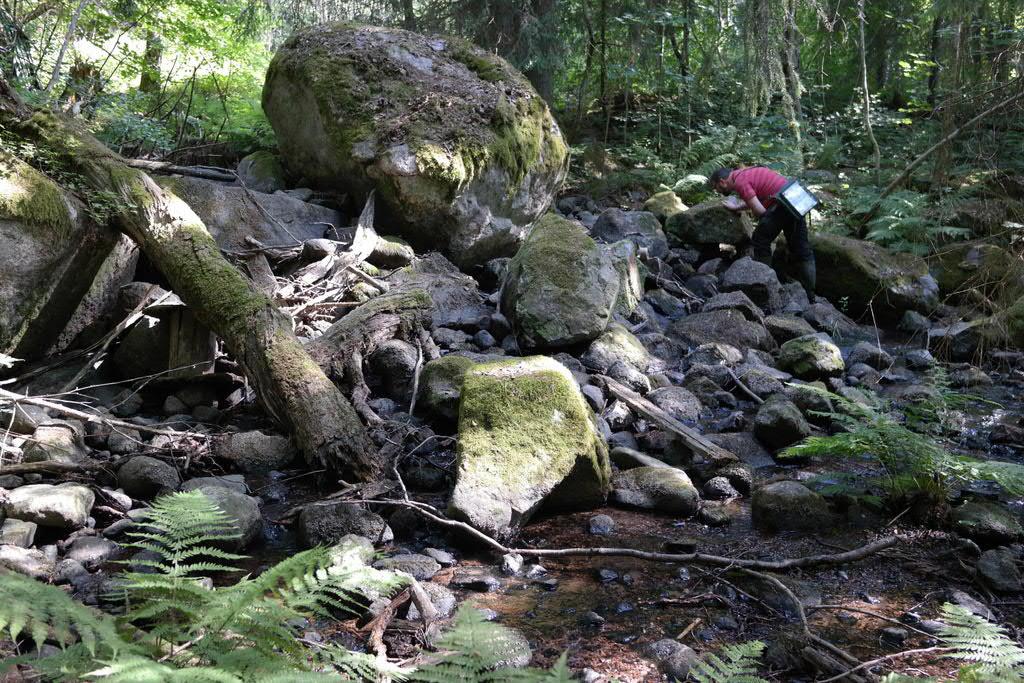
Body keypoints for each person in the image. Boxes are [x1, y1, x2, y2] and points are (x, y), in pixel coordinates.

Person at [709, 166, 816, 300]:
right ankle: (811, 296)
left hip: (781, 204)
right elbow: (757, 198)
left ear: (722, 182)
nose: (717, 191)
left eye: (716, 187)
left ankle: (765, 285)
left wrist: (765, 222)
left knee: (760, 240)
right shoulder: (745, 172)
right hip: (794, 200)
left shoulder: (740, 182)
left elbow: (760, 211)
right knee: (802, 250)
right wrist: (738, 207)